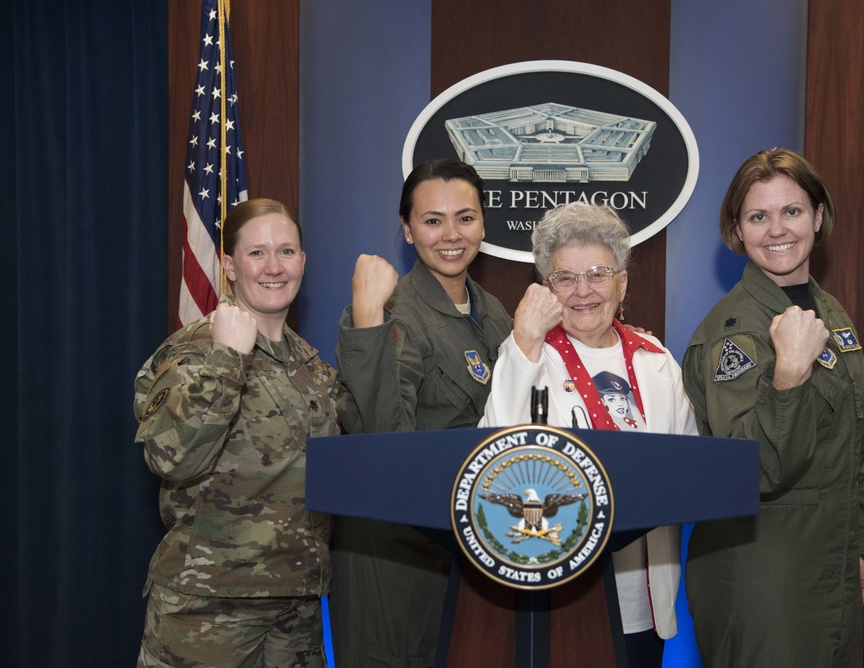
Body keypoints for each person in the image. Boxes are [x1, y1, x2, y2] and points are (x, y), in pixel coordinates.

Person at [479, 201, 700, 667]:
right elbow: (492, 455)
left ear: (622, 281)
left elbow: (690, 467)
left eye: (598, 274)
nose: (583, 291)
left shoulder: (655, 359)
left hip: (645, 598)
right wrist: (523, 341)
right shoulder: (527, 352)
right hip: (561, 595)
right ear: (546, 287)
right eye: (565, 278)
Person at [681, 148, 864, 667]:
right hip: (762, 575)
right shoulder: (736, 333)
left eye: (791, 211)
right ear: (738, 231)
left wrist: (853, 548)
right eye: (757, 217)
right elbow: (755, 470)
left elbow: (850, 448)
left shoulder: (827, 311)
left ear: (818, 216)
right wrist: (788, 374)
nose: (776, 230)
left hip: (828, 562)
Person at [133, 199, 341, 667]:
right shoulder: (193, 350)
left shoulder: (311, 364)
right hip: (210, 606)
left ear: (303, 262)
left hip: (297, 602)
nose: (273, 267)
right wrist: (227, 361)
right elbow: (171, 458)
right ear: (228, 265)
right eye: (256, 253)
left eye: (287, 252)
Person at [331, 159, 513, 667]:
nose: (451, 234)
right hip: (395, 549)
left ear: (483, 224)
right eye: (433, 221)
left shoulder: (494, 311)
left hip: (466, 546)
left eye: (465, 217)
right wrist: (368, 317)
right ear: (408, 231)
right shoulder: (389, 310)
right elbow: (385, 437)